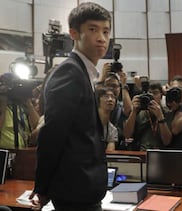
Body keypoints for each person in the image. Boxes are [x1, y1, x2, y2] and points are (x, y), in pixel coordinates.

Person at [30, 2, 111, 211]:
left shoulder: (83, 72)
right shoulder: (70, 73)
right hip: (74, 192)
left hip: (83, 188)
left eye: (106, 31)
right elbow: (52, 134)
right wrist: (43, 187)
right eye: (93, 29)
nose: (101, 38)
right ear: (74, 33)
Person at [124, 83, 172, 150]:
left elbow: (167, 141)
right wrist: (133, 111)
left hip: (161, 153)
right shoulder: (139, 113)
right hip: (141, 152)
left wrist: (160, 117)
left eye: (155, 93)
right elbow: (127, 135)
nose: (152, 96)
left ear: (161, 96)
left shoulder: (167, 113)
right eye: (149, 93)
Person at [0, 73, 39, 149]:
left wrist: (28, 102)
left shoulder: (22, 106)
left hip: (23, 152)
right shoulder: (2, 107)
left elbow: (38, 125)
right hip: (4, 153)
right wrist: (3, 105)